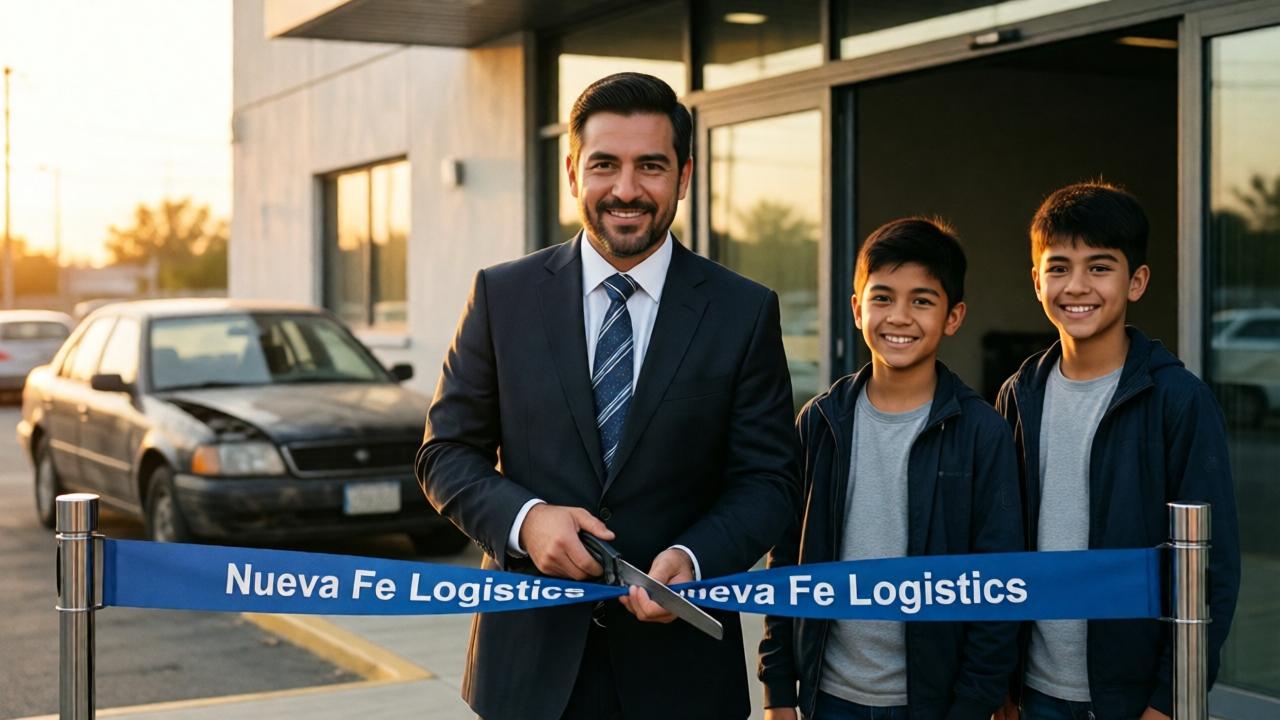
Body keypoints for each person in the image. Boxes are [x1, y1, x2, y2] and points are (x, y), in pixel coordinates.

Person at [416, 72, 800, 720]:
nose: (626, 190)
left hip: (680, 675)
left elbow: (770, 480)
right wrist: (526, 520)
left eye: (650, 166)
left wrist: (695, 557)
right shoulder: (501, 297)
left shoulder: (744, 311)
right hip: (527, 674)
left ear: (684, 176)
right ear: (573, 173)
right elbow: (445, 454)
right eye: (604, 165)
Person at [758, 218, 1022, 720]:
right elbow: (787, 560)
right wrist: (779, 692)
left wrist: (974, 704)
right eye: (882, 298)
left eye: (922, 300)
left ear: (953, 316)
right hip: (827, 698)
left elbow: (998, 583)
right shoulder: (820, 422)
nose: (899, 316)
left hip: (935, 705)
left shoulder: (982, 433)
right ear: (857, 309)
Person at [995, 182, 1240, 720]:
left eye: (1100, 267)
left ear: (1137, 282)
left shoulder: (1178, 400)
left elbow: (1211, 568)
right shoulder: (1018, 395)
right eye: (1059, 268)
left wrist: (1169, 700)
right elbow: (1000, 543)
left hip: (1131, 700)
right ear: (1036, 281)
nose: (1076, 285)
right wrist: (1001, 683)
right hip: (1034, 693)